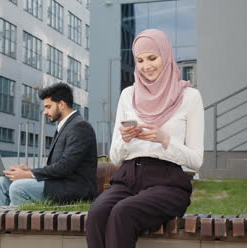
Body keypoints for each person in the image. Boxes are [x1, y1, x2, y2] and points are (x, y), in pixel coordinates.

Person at [86, 29, 204, 248]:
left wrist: (165, 140)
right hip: (128, 177)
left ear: (166, 56)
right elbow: (114, 156)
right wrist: (125, 139)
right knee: (97, 212)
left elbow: (197, 160)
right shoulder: (128, 95)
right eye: (139, 60)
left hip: (168, 182)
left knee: (123, 212)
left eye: (152, 58)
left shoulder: (189, 97)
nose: (146, 66)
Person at [0, 82, 98, 206]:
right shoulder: (66, 126)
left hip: (74, 189)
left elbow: (65, 166)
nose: (45, 112)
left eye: (48, 107)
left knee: (18, 187)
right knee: (2, 182)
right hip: (58, 183)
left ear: (61, 104)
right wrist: (31, 171)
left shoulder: (80, 127)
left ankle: (19, 225)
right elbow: (57, 166)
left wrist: (29, 174)